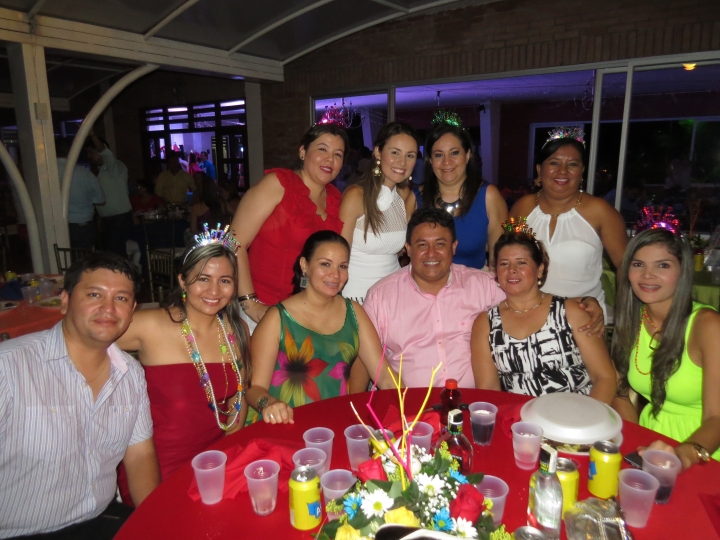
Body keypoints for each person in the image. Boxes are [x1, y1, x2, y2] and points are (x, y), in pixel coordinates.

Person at [0, 252, 159, 539]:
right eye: (94, 295)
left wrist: (156, 523)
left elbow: (140, 456)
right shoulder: (8, 367)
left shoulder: (131, 374)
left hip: (100, 519)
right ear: (64, 300)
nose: (108, 308)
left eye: (121, 298)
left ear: (132, 310)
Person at [116, 228, 250, 502]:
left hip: (216, 463)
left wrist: (226, 461)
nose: (214, 291)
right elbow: (83, 341)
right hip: (155, 468)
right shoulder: (150, 325)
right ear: (183, 281)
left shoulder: (237, 331)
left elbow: (238, 402)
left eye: (225, 280)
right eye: (203, 279)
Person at [246, 231, 395, 424]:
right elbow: (253, 389)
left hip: (335, 425)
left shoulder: (354, 312)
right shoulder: (277, 318)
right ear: (304, 265)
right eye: (325, 264)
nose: (335, 275)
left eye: (342, 266)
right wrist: (269, 403)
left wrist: (415, 410)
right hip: (284, 426)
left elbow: (385, 376)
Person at [470, 220, 617, 404]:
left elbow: (604, 377)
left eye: (521, 262)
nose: (512, 270)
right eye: (504, 264)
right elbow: (489, 391)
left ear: (540, 269)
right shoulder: (486, 323)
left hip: (578, 412)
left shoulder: (571, 312)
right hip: (518, 417)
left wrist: (588, 419)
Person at [611, 228, 720, 468]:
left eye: (663, 265)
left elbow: (717, 418)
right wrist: (636, 441)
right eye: (638, 264)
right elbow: (620, 393)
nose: (647, 275)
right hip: (651, 441)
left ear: (683, 272)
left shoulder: (708, 325)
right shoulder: (632, 319)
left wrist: (681, 457)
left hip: (705, 451)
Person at [230, 123, 347, 329]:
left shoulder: (337, 200)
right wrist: (250, 303)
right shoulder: (278, 184)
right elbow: (233, 242)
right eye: (322, 149)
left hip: (309, 312)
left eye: (338, 154)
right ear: (303, 152)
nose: (330, 159)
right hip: (263, 307)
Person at [511, 128, 628, 318]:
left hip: (584, 320)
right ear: (539, 169)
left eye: (572, 164)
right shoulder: (522, 207)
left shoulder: (600, 211)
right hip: (527, 316)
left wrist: (626, 315)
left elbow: (626, 266)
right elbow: (506, 259)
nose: (563, 171)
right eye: (554, 163)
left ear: (582, 171)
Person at [339, 122, 418, 303]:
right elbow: (339, 255)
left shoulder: (406, 196)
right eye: (395, 152)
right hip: (357, 295)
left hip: (396, 294)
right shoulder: (356, 195)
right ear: (378, 152)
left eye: (410, 155)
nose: (402, 162)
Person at [418, 120, 508, 270]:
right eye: (439, 155)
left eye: (454, 153)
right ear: (431, 161)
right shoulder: (416, 198)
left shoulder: (488, 196)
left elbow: (498, 261)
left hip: (475, 283)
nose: (447, 161)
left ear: (467, 155)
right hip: (425, 283)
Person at [86, 132, 133, 258]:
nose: (89, 156)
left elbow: (105, 153)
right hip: (109, 219)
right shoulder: (101, 172)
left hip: (119, 219)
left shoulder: (115, 167)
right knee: (112, 254)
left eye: (91, 152)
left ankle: (126, 271)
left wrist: (93, 135)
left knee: (115, 254)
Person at [57, 137, 105, 250]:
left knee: (61, 258)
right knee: (84, 259)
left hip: (56, 225)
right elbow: (101, 200)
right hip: (82, 225)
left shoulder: (46, 173)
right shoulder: (85, 174)